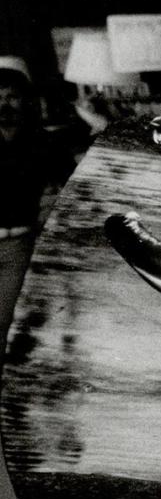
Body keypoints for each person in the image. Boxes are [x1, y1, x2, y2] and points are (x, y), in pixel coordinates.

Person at [0, 56, 75, 350]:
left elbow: (72, 185)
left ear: (25, 100)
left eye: (12, 96)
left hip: (19, 249)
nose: (4, 104)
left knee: (6, 325)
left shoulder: (43, 144)